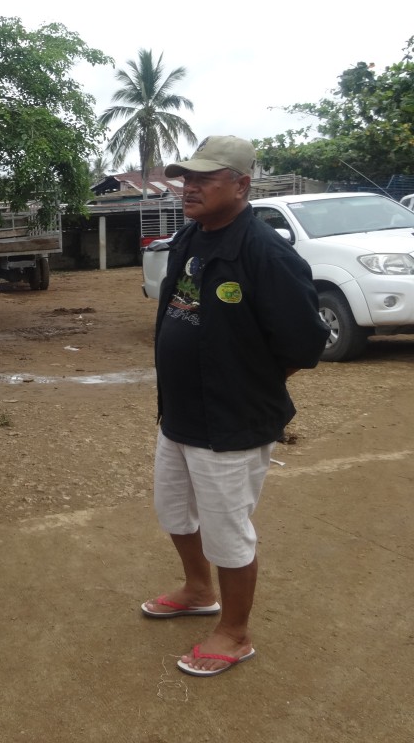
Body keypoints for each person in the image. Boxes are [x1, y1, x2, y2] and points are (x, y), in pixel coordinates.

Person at [142, 136, 329, 677]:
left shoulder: (266, 252)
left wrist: (246, 381)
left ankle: (236, 632)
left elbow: (303, 342)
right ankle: (199, 590)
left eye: (205, 178)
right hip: (179, 413)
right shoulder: (189, 238)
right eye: (186, 178)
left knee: (228, 532)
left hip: (232, 421)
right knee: (174, 512)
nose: (189, 187)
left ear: (242, 185)